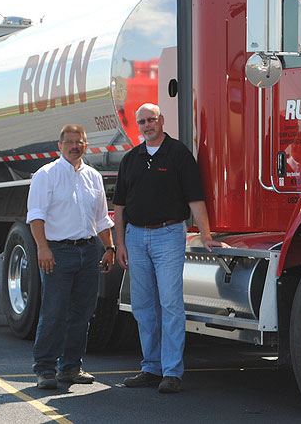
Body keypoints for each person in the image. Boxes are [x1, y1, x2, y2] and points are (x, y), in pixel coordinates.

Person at [114, 103, 226, 394]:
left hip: (169, 235)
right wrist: (120, 244)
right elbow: (119, 207)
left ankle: (172, 372)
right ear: (138, 126)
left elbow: (195, 199)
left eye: (152, 119)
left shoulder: (178, 154)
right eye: (142, 122)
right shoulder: (131, 159)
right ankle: (151, 367)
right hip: (136, 238)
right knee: (143, 306)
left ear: (162, 120)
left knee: (171, 304)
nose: (147, 125)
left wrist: (206, 234)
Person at [27, 124, 115, 390]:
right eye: (69, 142)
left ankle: (70, 367)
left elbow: (101, 218)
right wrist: (43, 248)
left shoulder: (93, 177)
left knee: (82, 312)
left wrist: (109, 248)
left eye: (80, 142)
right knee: (54, 312)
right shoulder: (46, 175)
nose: (75, 146)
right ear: (60, 145)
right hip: (58, 252)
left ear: (86, 146)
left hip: (89, 251)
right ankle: (45, 369)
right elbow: (36, 215)